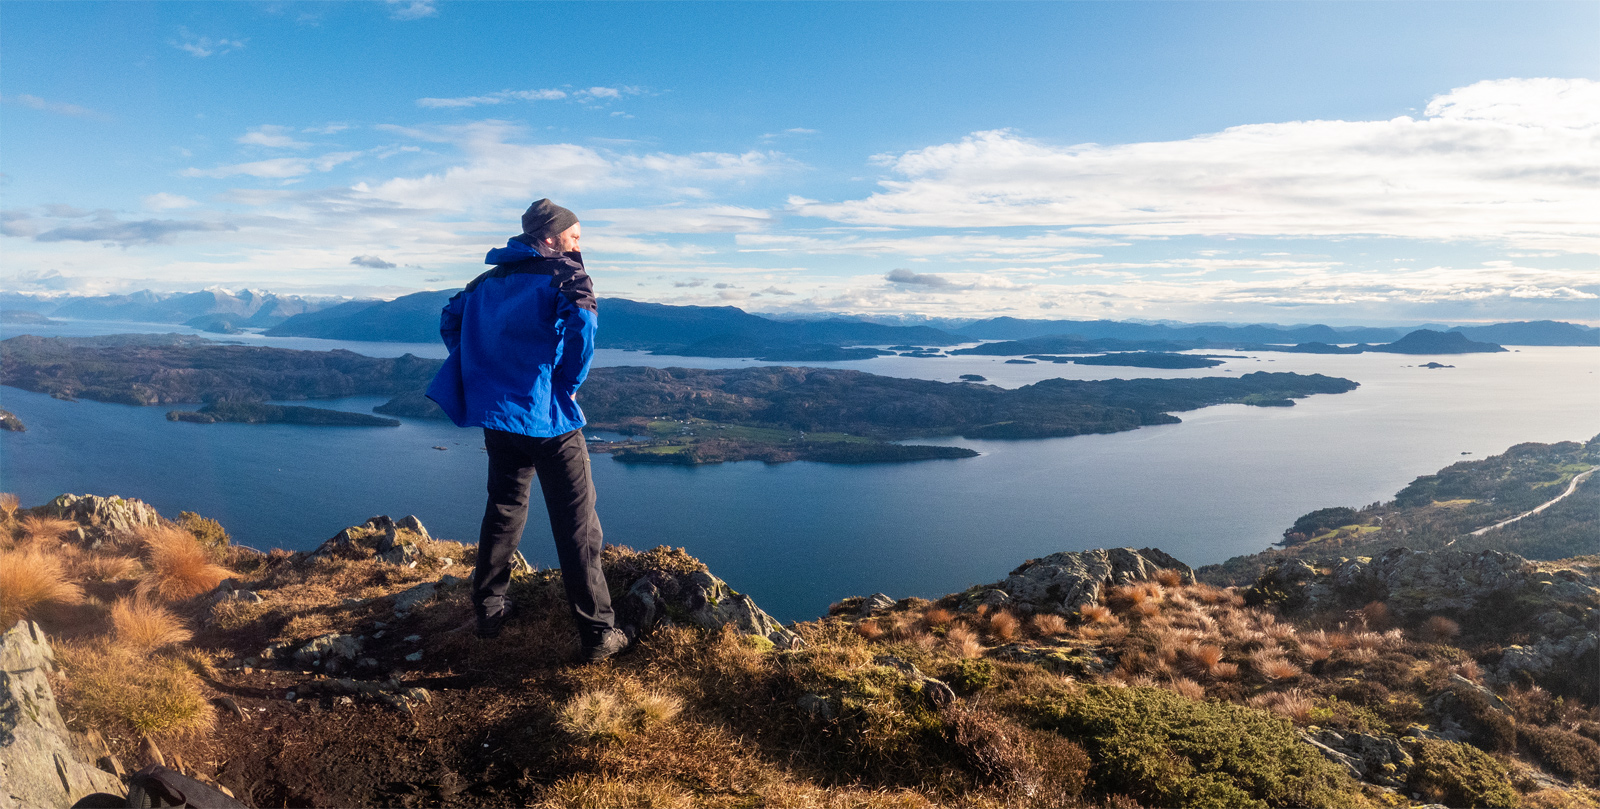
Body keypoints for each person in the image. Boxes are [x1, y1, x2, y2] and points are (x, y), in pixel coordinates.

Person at [426, 198, 628, 662]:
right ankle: (599, 634)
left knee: (504, 508)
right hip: (547, 417)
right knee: (578, 523)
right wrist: (567, 385)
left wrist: (482, 367)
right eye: (575, 238)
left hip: (501, 415)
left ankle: (490, 611)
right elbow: (584, 324)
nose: (580, 246)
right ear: (551, 237)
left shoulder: (485, 281)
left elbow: (450, 317)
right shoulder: (565, 275)